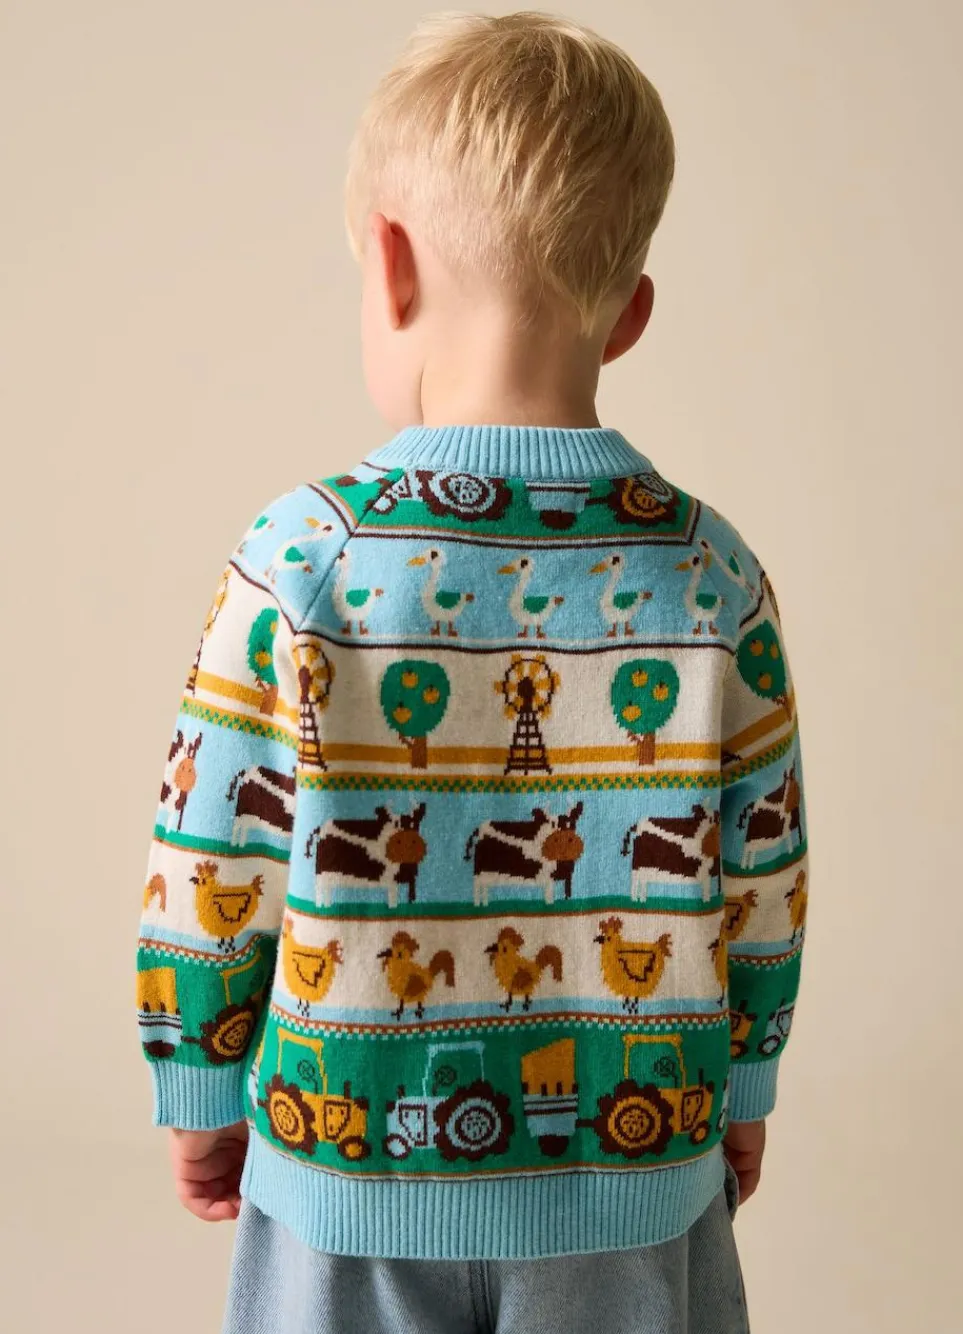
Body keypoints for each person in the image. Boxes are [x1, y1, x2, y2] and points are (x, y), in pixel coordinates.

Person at [135, 12, 809, 1332]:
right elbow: (762, 874)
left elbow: (212, 849)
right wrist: (741, 1087)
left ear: (387, 265)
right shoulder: (713, 574)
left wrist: (199, 1085)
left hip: (346, 1180)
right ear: (631, 314)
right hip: (632, 1188)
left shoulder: (299, 561)